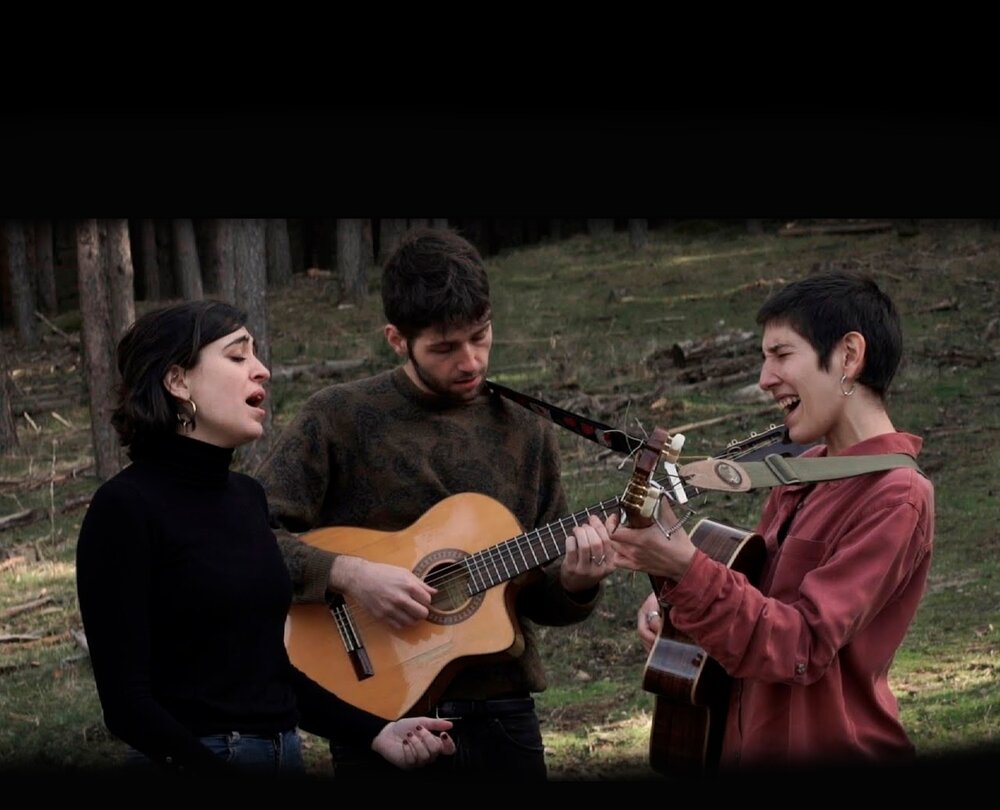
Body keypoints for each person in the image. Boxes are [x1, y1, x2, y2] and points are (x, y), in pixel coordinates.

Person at [256, 227, 613, 780]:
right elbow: (249, 538)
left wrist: (577, 583)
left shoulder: (526, 430)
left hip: (502, 718)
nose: (470, 361)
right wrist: (349, 574)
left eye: (480, 336)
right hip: (379, 717)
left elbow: (541, 597)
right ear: (397, 340)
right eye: (445, 348)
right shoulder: (337, 418)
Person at [75, 300, 456, 776]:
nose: (262, 370)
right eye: (238, 356)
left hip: (284, 754)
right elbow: (126, 704)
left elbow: (269, 673)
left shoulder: (247, 497)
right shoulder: (124, 508)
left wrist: (377, 733)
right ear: (177, 382)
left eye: (255, 355)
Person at [605, 271, 934, 770]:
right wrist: (674, 595)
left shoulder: (897, 497)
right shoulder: (800, 474)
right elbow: (754, 608)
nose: (764, 379)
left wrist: (686, 569)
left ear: (849, 356)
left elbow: (800, 645)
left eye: (781, 354)